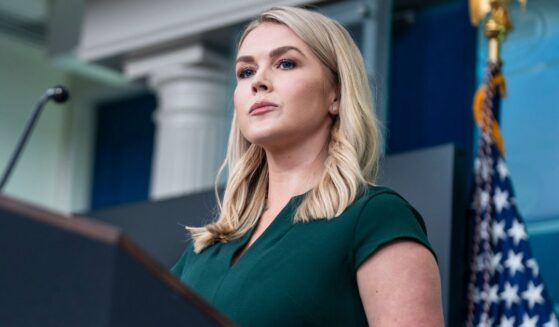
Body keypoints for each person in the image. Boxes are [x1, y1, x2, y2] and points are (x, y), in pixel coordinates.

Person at [172, 6, 444, 326]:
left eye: (286, 63)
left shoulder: (375, 218)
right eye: (245, 71)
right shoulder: (201, 253)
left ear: (336, 94)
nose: (258, 81)